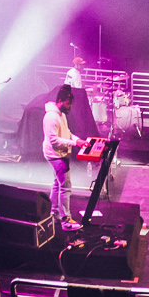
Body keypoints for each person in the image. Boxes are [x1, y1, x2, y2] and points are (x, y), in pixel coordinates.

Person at [43, 84, 85, 230]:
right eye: (68, 104)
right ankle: (66, 221)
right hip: (55, 155)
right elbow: (54, 140)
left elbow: (65, 134)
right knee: (65, 187)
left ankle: (53, 214)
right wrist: (74, 143)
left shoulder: (61, 115)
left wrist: (78, 141)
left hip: (58, 153)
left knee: (57, 183)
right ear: (60, 101)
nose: (70, 107)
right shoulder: (51, 117)